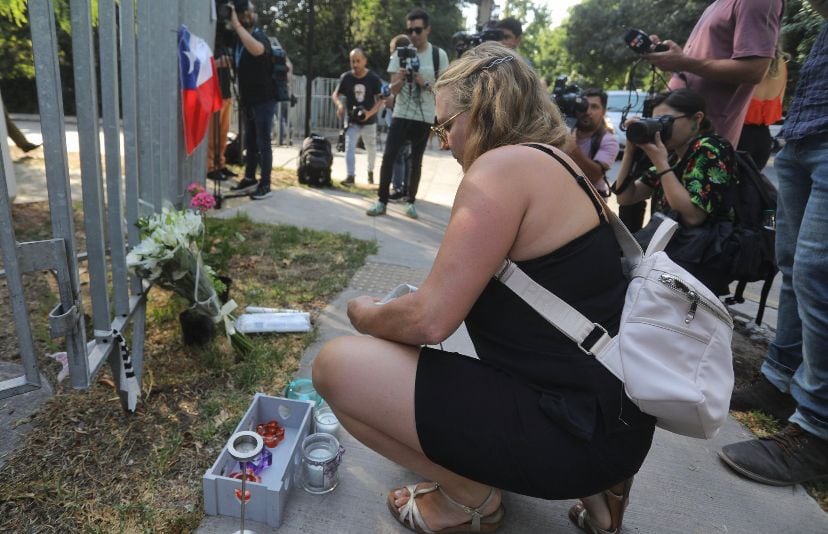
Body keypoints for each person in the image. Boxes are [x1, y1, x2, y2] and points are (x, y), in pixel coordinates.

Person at [313, 42, 655, 534]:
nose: (443, 143)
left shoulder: (500, 169)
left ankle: (469, 500)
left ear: (480, 110)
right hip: (616, 425)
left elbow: (429, 320)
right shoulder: (563, 165)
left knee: (337, 367)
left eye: (445, 125)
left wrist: (363, 314)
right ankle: (603, 499)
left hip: (570, 434)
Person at [720, 2, 828, 487]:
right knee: (793, 266)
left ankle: (817, 432)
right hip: (805, 130)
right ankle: (778, 381)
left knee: (817, 275)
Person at [614, 89, 736, 296]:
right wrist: (630, 150)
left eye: (666, 121)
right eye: (656, 122)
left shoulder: (711, 147)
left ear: (697, 119)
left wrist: (661, 163)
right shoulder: (673, 156)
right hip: (674, 254)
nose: (660, 128)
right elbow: (626, 197)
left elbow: (693, 216)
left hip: (700, 260)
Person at [644, 0, 783, 147]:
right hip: (675, 137)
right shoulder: (717, 4)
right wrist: (668, 58)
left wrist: (683, 62)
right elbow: (692, 67)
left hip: (706, 144)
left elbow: (754, 70)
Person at [366, 8, 449, 220]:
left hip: (424, 116)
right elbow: (391, 91)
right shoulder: (399, 54)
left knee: (416, 161)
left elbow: (444, 91)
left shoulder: (438, 56)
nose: (413, 34)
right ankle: (381, 201)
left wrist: (424, 82)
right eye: (410, 30)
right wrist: (401, 79)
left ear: (428, 30)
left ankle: (410, 202)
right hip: (401, 113)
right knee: (389, 157)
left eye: (418, 30)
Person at [227, 0, 276, 200]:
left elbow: (257, 50)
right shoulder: (238, 40)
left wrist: (236, 25)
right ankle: (249, 178)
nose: (252, 14)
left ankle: (266, 184)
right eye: (249, 11)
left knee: (263, 142)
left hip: (264, 99)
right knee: (250, 141)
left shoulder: (258, 36)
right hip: (248, 100)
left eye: (252, 11)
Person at [332, 48, 383, 186]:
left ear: (365, 61)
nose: (355, 64)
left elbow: (381, 100)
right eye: (352, 61)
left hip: (369, 122)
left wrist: (369, 113)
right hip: (352, 120)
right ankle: (350, 175)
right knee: (349, 147)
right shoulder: (346, 77)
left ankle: (370, 171)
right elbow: (336, 94)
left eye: (358, 61)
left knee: (371, 149)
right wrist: (339, 105)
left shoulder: (373, 78)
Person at [738, 45, 788, 170]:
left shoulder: (747, 59)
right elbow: (780, 101)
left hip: (738, 136)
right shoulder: (781, 63)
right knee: (752, 181)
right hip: (764, 139)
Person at [565, 88, 619, 196]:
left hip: (589, 200)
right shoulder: (565, 131)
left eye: (594, 107)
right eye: (583, 105)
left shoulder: (608, 140)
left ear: (603, 111)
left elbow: (594, 176)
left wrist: (573, 149)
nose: (587, 111)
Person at [206, 17, 236, 183]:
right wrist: (217, 63)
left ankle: (220, 163)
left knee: (223, 134)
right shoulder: (208, 40)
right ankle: (210, 166)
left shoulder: (227, 41)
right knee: (213, 134)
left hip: (226, 91)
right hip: (213, 93)